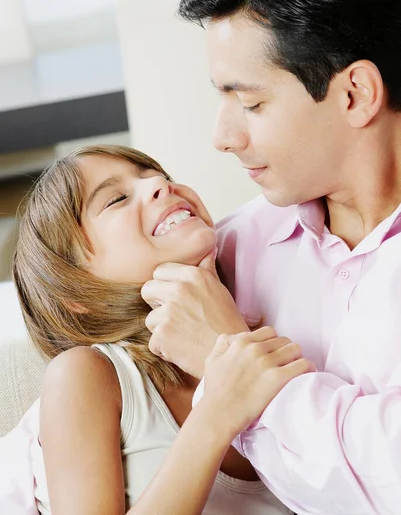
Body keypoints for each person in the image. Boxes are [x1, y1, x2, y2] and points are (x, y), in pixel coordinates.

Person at [139, 0, 401, 513]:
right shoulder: (226, 254)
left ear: (355, 94)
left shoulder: (216, 316)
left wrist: (231, 362)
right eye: (222, 96)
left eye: (251, 102)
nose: (222, 136)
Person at [12, 143, 310, 515]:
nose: (159, 183)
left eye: (161, 175)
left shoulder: (276, 318)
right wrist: (216, 412)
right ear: (75, 290)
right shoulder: (86, 375)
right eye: (117, 198)